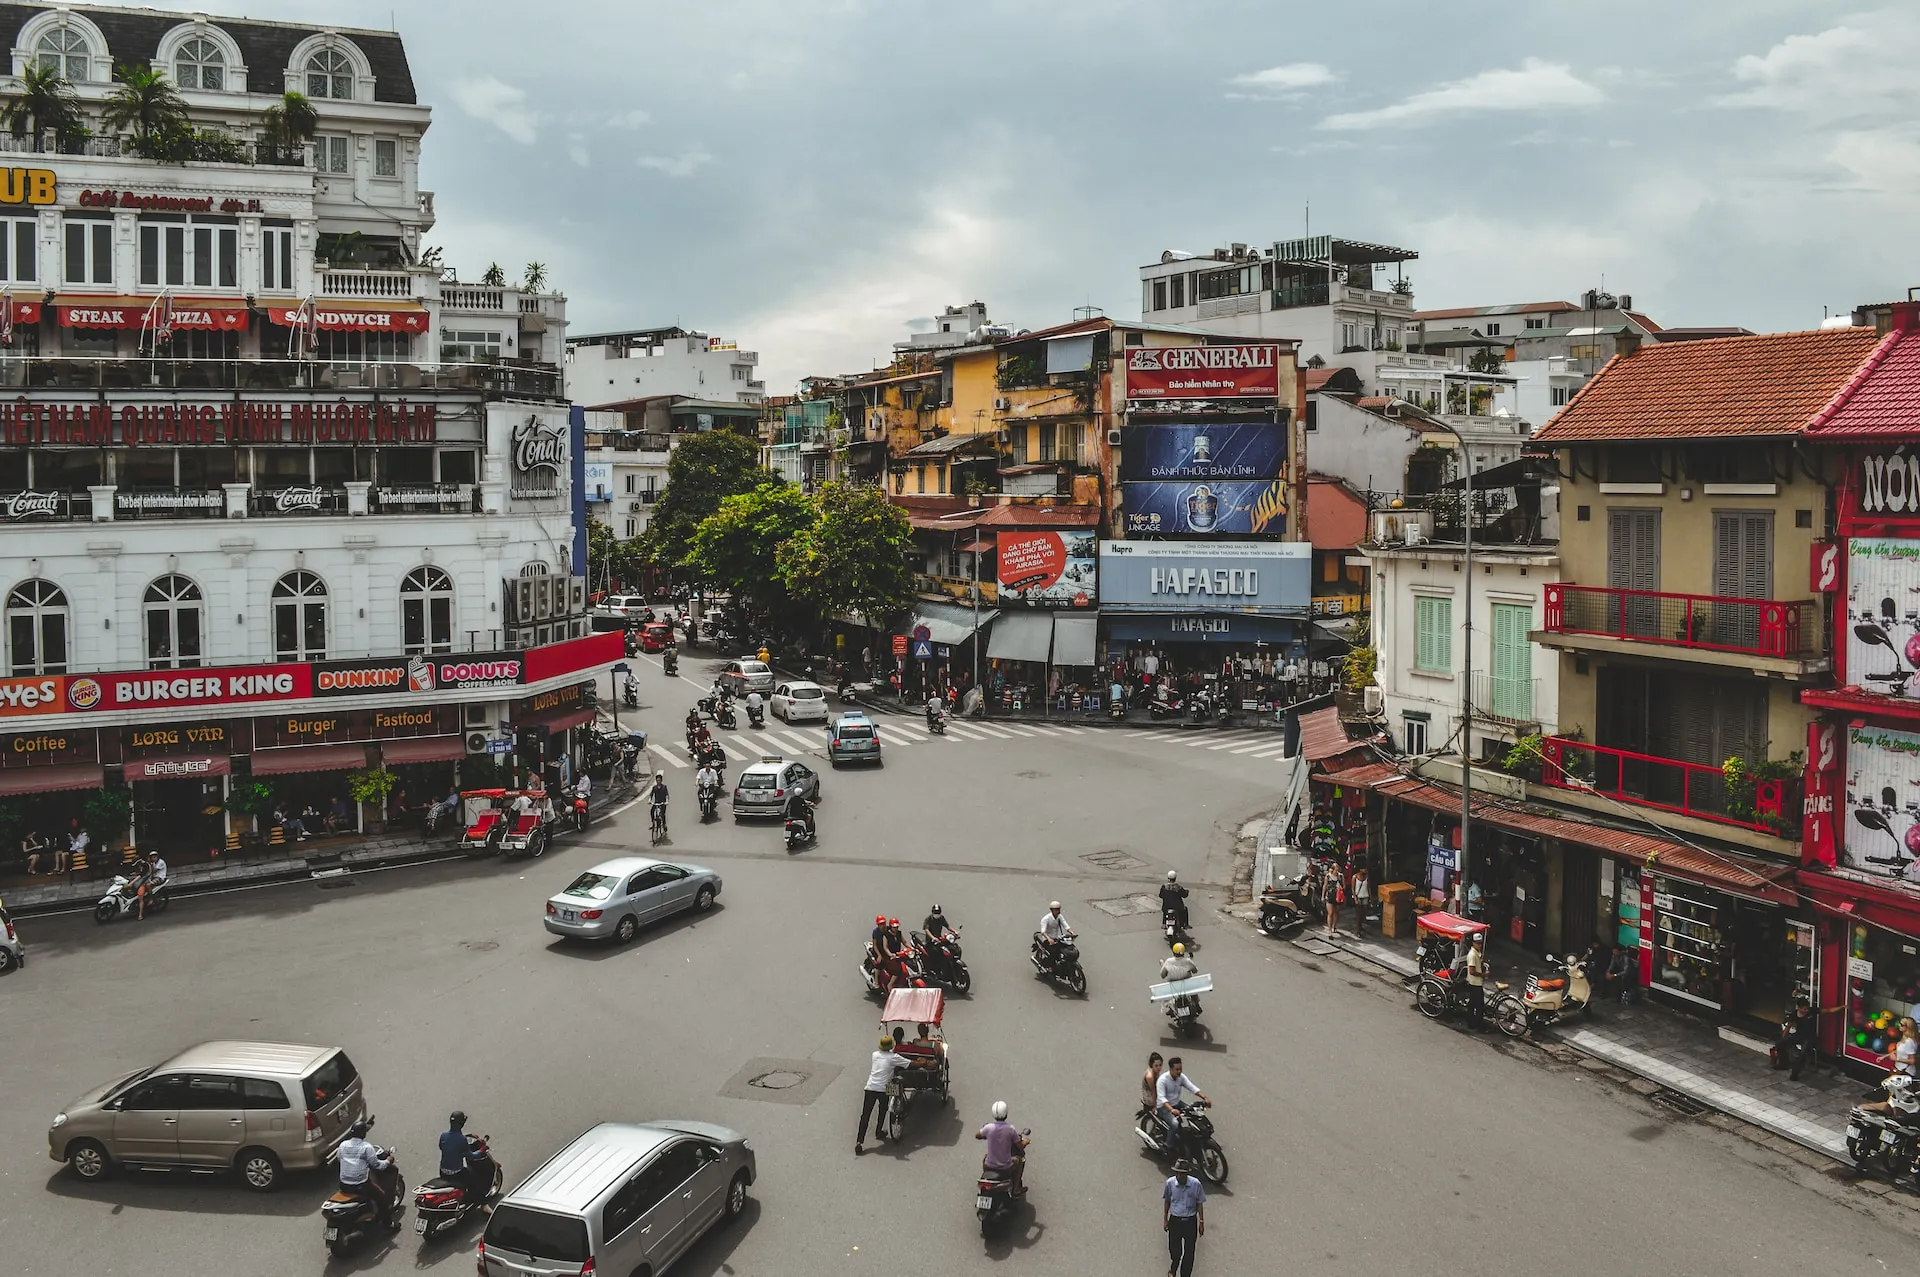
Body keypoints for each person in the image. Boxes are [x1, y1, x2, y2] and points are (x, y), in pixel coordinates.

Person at [856, 1035, 911, 1154]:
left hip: (870, 1087)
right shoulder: (893, 1057)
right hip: (885, 1089)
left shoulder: (874, 1055)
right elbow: (910, 1064)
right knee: (883, 1109)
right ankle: (879, 1131)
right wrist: (922, 1062)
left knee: (865, 1115)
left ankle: (859, 1142)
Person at [336, 1119, 395, 1230]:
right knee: (381, 1197)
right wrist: (388, 1160)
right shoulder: (366, 1147)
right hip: (361, 1186)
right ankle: (388, 1224)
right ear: (363, 1134)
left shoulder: (343, 1145)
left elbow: (339, 1158)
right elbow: (377, 1165)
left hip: (343, 1185)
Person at [1162, 1158, 1207, 1277]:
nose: (1179, 1176)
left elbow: (1199, 1203)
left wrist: (1201, 1222)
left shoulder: (1195, 1184)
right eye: (1177, 1172)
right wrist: (1165, 1219)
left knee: (1189, 1252)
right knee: (1175, 1250)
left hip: (1190, 1222)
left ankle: (1185, 1274)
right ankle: (1174, 1265)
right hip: (1175, 1221)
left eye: (1182, 1173)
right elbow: (1167, 1201)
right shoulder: (1170, 1183)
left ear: (1187, 1174)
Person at [975, 1100, 1028, 1197]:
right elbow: (1020, 1146)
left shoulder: (988, 1128)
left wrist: (986, 1135)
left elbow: (977, 1135)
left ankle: (987, 1177)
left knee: (985, 1157)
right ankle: (1016, 1189)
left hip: (989, 1166)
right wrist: (1026, 1141)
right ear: (1006, 1113)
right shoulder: (1010, 1129)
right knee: (1019, 1160)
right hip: (1005, 1167)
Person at [1155, 1056, 1206, 1149]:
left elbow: (1191, 1087)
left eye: (1180, 1069)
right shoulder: (1162, 1080)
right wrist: (1172, 1110)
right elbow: (1162, 1099)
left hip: (1177, 1103)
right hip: (1164, 1108)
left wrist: (1204, 1097)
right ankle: (1168, 1145)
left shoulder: (1181, 1077)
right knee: (1175, 1124)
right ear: (1171, 1069)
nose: (1179, 1071)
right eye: (1177, 1069)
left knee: (1194, 1114)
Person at [439, 1110, 479, 1199]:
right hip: (457, 1173)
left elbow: (441, 1147)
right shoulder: (462, 1139)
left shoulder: (443, 1135)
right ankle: (484, 1204)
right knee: (476, 1182)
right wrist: (482, 1151)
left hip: (443, 1172)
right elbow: (471, 1156)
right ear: (462, 1124)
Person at [1464, 930, 1489, 1029]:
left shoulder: (1477, 953)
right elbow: (1472, 971)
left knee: (1473, 1004)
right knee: (1479, 1006)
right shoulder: (1472, 955)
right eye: (1478, 943)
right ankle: (1478, 1025)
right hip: (1474, 983)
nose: (1480, 945)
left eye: (1480, 943)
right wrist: (1483, 974)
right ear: (1473, 943)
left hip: (1477, 983)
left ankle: (1471, 1022)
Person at [137, 852, 168, 920]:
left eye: (154, 857)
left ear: (157, 856)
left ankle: (151, 899)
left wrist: (149, 864)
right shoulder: (152, 863)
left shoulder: (160, 862)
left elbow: (153, 871)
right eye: (151, 857)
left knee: (148, 885)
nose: (152, 858)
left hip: (160, 878)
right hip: (154, 877)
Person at [1350, 865, 1371, 937]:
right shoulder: (1355, 877)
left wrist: (1370, 897)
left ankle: (1360, 925)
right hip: (1358, 896)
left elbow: (1368, 887)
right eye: (1364, 868)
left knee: (1364, 912)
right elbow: (1352, 888)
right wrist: (1355, 898)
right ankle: (1358, 930)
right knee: (1358, 914)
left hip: (1365, 896)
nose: (1365, 870)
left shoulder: (1366, 877)